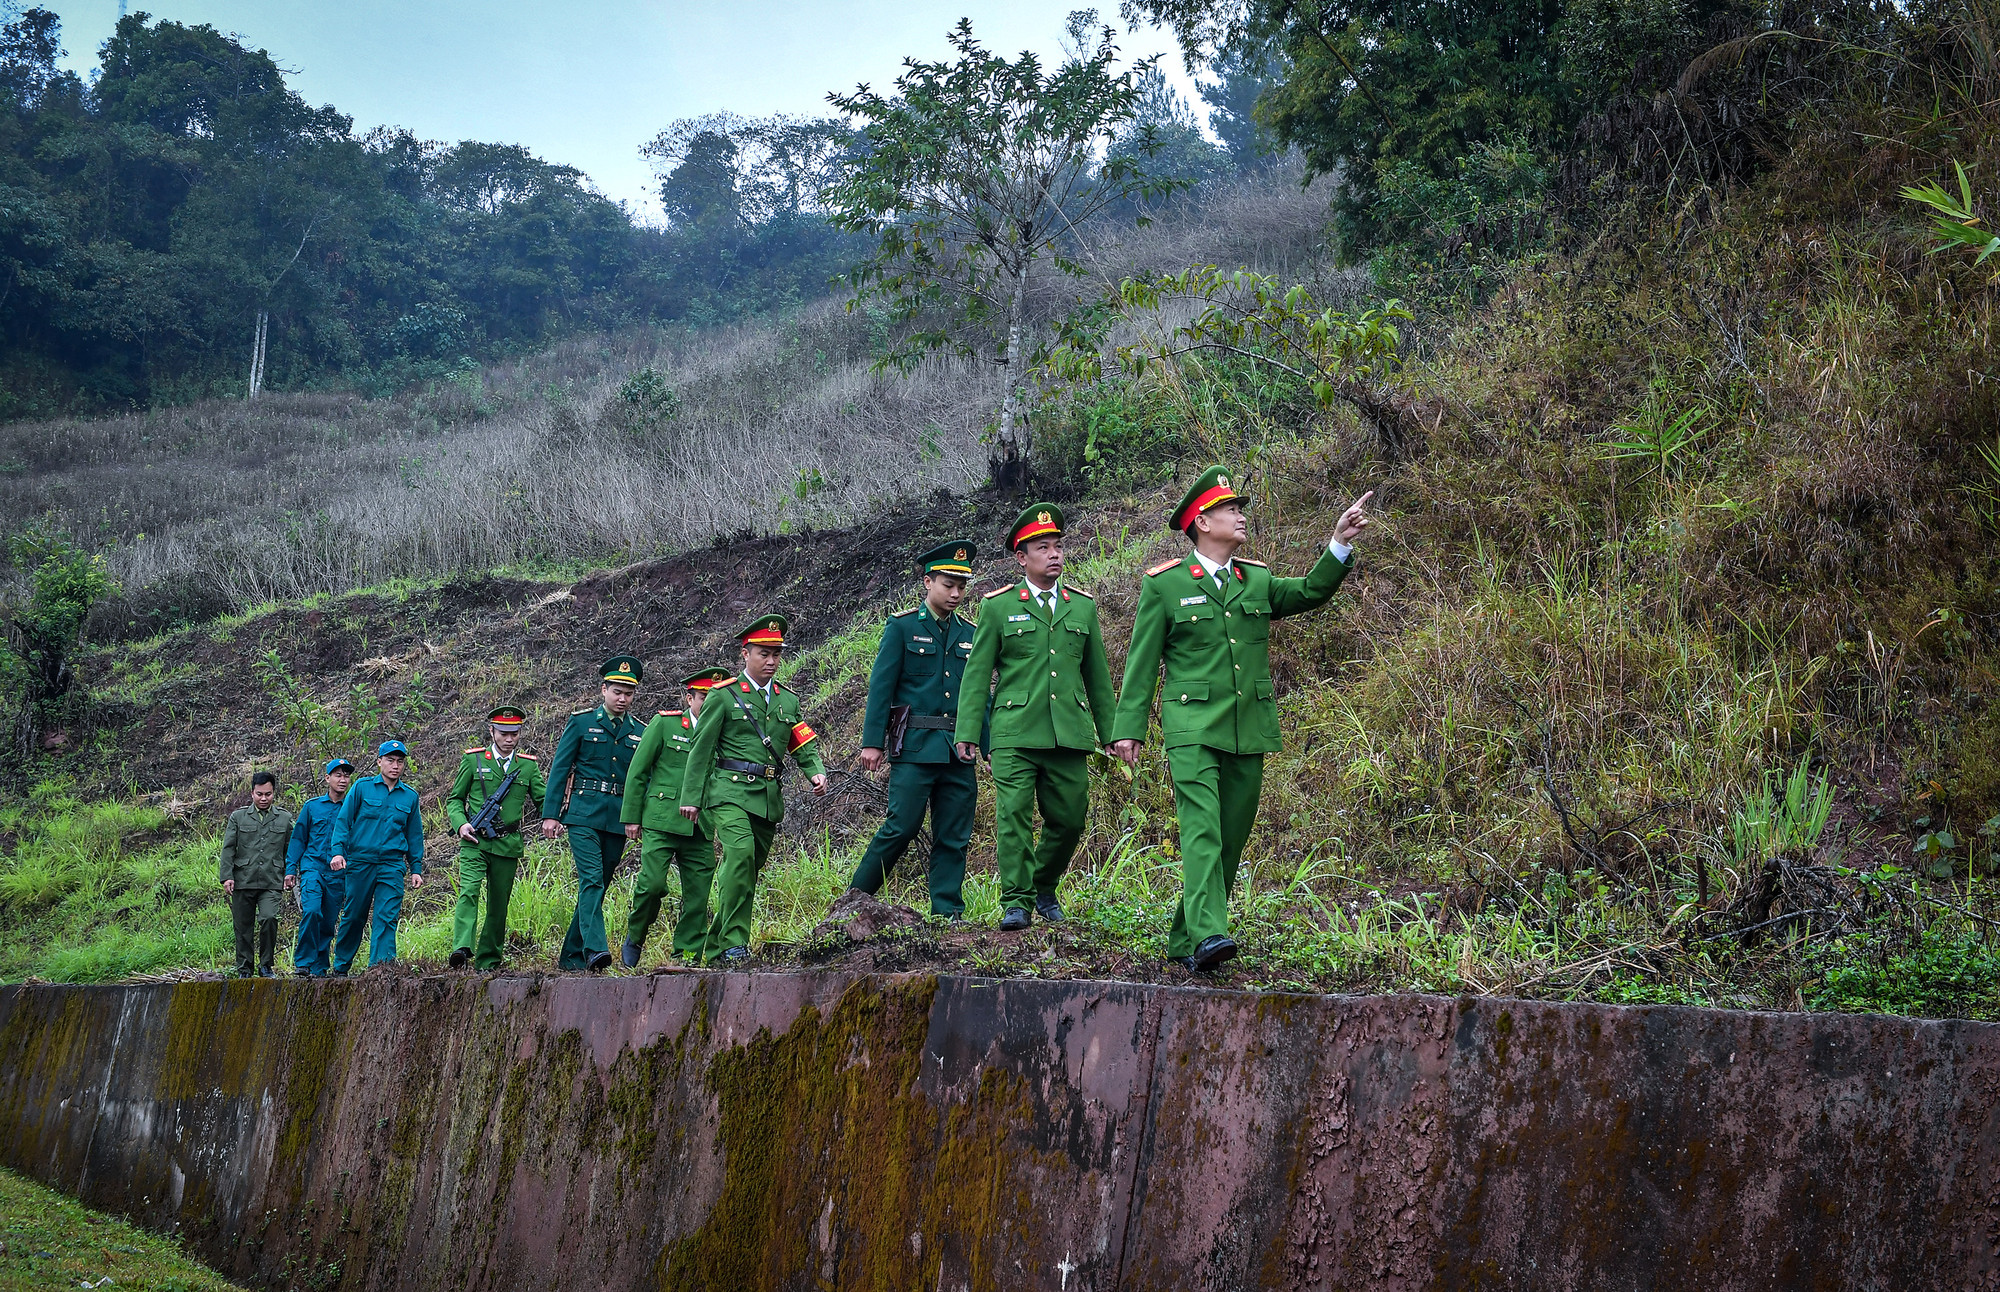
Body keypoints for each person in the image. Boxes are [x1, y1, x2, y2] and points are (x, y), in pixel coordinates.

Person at [1110, 466, 1373, 970]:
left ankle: (1185, 938)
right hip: (1191, 728)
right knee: (1202, 828)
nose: (1240, 515)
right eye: (1231, 509)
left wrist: (1338, 543)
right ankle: (1211, 933)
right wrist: (1129, 728)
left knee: (1231, 833)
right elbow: (1142, 663)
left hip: (1247, 726)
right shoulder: (1165, 587)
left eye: (1239, 508)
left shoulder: (1255, 578)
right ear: (1202, 523)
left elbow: (1309, 593)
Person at [954, 504, 1116, 932]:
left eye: (1058, 546)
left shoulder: (1081, 608)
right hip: (1014, 733)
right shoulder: (998, 607)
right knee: (1014, 817)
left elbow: (1098, 679)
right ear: (1022, 557)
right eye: (1042, 547)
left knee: (1070, 819)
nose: (1054, 554)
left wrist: (1115, 734)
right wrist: (970, 730)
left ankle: (1043, 884)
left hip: (1068, 732)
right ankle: (1017, 902)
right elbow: (976, 675)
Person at [679, 614, 828, 963]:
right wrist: (691, 799)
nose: (772, 660)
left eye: (777, 653)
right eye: (764, 653)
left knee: (747, 870)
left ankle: (716, 948)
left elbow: (801, 742)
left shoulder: (787, 700)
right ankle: (735, 943)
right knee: (741, 854)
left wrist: (815, 772)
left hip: (766, 797)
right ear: (745, 654)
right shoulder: (724, 696)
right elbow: (700, 750)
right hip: (727, 792)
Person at [848, 539, 979, 918]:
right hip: (915, 747)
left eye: (961, 586)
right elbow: (881, 687)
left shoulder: (970, 633)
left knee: (953, 836)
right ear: (927, 581)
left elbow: (978, 694)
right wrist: (872, 743)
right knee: (901, 827)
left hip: (958, 748)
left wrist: (987, 743)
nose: (955, 593)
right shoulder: (903, 627)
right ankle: (853, 900)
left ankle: (947, 912)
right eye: (947, 584)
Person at [619, 666, 733, 966]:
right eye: (703, 696)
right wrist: (632, 817)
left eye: (713, 697)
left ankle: (688, 954)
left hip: (701, 825)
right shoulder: (665, 724)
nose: (707, 703)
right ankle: (636, 935)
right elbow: (638, 771)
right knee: (652, 884)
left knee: (698, 896)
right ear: (689, 697)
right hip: (661, 820)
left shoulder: (724, 731)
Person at [542, 656, 647, 972]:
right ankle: (596, 950)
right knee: (591, 879)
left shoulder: (640, 731)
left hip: (617, 818)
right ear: (604, 689)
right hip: (583, 815)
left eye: (628, 693)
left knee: (600, 882)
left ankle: (570, 957)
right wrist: (551, 815)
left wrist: (637, 816)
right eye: (617, 691)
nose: (622, 699)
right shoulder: (581, 722)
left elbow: (642, 778)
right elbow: (560, 770)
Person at [444, 707, 547, 970]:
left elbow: (542, 800)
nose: (509, 738)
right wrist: (461, 824)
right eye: (503, 733)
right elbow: (455, 799)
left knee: (499, 904)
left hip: (507, 843)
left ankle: (488, 961)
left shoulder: (527, 765)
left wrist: (556, 814)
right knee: (469, 891)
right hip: (474, 841)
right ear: (491, 731)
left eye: (514, 733)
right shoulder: (474, 761)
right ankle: (462, 948)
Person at [329, 740, 426, 975]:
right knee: (354, 915)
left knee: (387, 915)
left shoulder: (409, 797)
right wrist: (338, 851)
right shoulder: (362, 788)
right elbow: (343, 821)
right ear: (379, 762)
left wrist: (416, 868)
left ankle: (380, 971)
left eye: (400, 761)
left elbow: (414, 835)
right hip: (361, 861)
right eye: (390, 760)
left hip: (392, 864)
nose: (395, 766)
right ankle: (341, 968)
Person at [219, 771, 294, 979]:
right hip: (243, 879)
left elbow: (291, 849)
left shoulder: (285, 818)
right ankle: (244, 968)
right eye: (259, 794)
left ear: (273, 794)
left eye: (268, 794)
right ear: (252, 793)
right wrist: (227, 876)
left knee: (269, 918)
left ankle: (266, 965)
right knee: (243, 926)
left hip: (272, 879)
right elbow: (228, 848)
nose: (263, 799)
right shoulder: (238, 817)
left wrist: (290, 873)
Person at [285, 758, 354, 977]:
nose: (342, 780)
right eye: (337, 775)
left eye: (346, 776)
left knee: (328, 921)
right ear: (327, 778)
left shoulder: (353, 808)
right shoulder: (312, 807)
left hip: (338, 873)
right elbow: (298, 840)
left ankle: (320, 967)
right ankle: (303, 962)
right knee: (312, 910)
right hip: (312, 867)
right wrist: (290, 870)